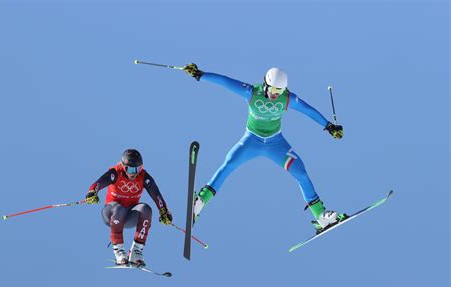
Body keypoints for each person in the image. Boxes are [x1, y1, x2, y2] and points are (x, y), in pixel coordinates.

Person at [183, 63, 347, 233]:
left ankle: (320, 216)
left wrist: (329, 126)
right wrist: (200, 74)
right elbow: (226, 82)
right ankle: (199, 203)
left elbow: (308, 110)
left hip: (276, 144)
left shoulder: (287, 99)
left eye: (280, 92)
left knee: (301, 173)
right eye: (274, 91)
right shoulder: (252, 92)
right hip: (251, 141)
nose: (276, 95)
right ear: (265, 84)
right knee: (228, 165)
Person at [85, 149, 172, 266]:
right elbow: (99, 182)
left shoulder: (143, 177)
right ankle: (119, 251)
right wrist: (92, 192)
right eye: (131, 169)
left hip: (129, 215)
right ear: (124, 166)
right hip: (111, 213)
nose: (134, 173)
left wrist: (164, 211)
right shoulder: (116, 172)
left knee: (146, 209)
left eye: (138, 168)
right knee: (119, 209)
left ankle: (136, 251)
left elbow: (156, 194)